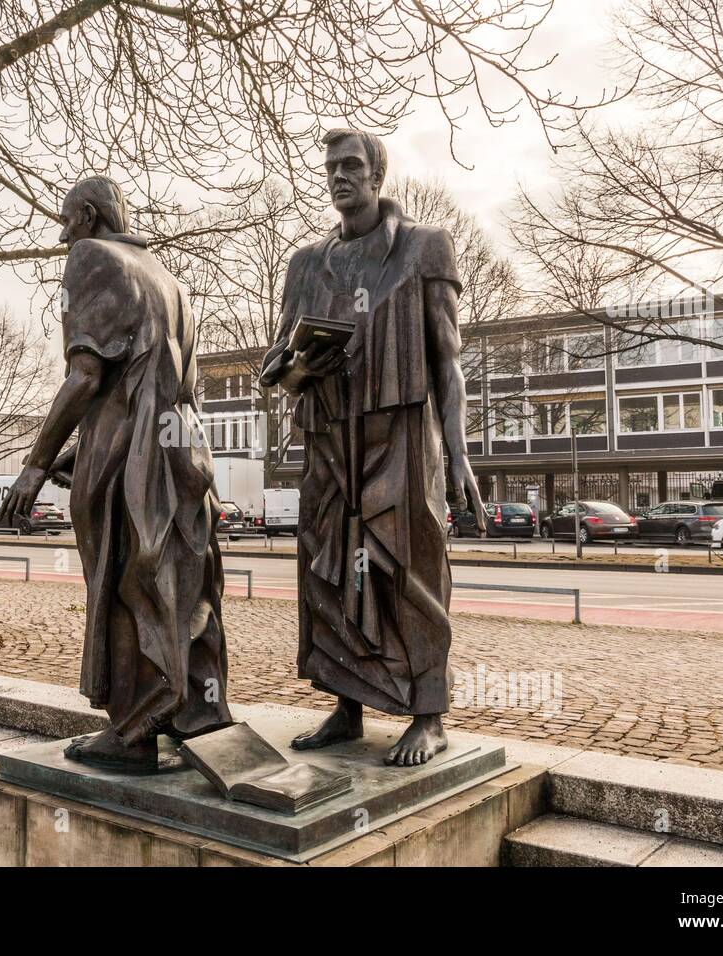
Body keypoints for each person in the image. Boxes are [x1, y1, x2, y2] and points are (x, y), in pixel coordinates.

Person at [259, 129, 485, 766]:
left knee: (408, 564)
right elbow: (278, 358)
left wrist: (459, 452)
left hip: (403, 434)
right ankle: (345, 703)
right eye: (330, 167)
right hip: (330, 433)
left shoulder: (423, 248)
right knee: (326, 566)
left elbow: (448, 362)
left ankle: (428, 713)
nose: (339, 176)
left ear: (378, 174)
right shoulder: (306, 263)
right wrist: (290, 366)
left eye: (351, 166)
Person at [0, 176, 232, 771]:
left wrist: (34, 463)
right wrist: (82, 450)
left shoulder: (92, 258)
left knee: (123, 580)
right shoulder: (167, 277)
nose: (63, 236)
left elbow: (86, 377)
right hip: (177, 454)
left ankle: (132, 733)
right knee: (174, 580)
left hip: (129, 463)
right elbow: (155, 378)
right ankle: (194, 712)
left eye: (67, 220)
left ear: (89, 214)